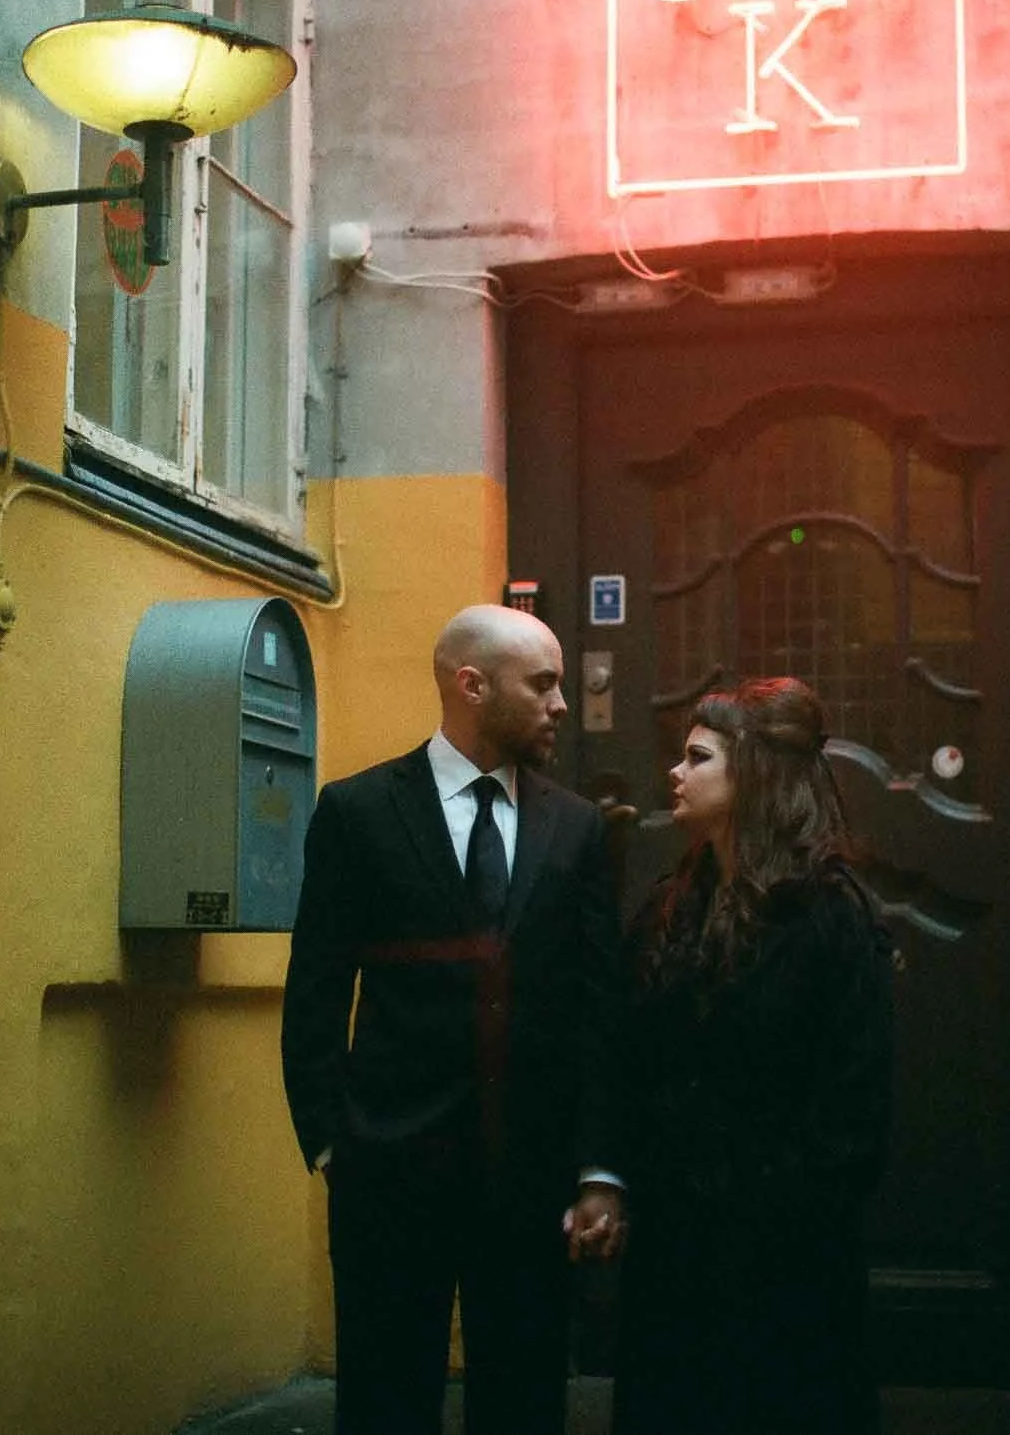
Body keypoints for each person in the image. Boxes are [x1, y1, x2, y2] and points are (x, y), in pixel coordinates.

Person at [281, 603, 626, 1435]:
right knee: (385, 1397)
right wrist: (332, 1141)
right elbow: (317, 989)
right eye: (541, 683)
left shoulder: (576, 829)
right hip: (388, 1174)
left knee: (523, 1398)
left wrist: (597, 1169)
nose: (562, 704)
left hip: (532, 1178)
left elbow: (598, 1012)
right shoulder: (358, 812)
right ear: (472, 685)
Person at [612, 677, 894, 1435]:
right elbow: (631, 1063)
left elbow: (853, 1108)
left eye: (698, 758)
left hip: (785, 1255)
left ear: (755, 776)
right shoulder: (672, 903)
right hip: (676, 1245)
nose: (675, 773)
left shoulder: (828, 916)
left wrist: (769, 1213)